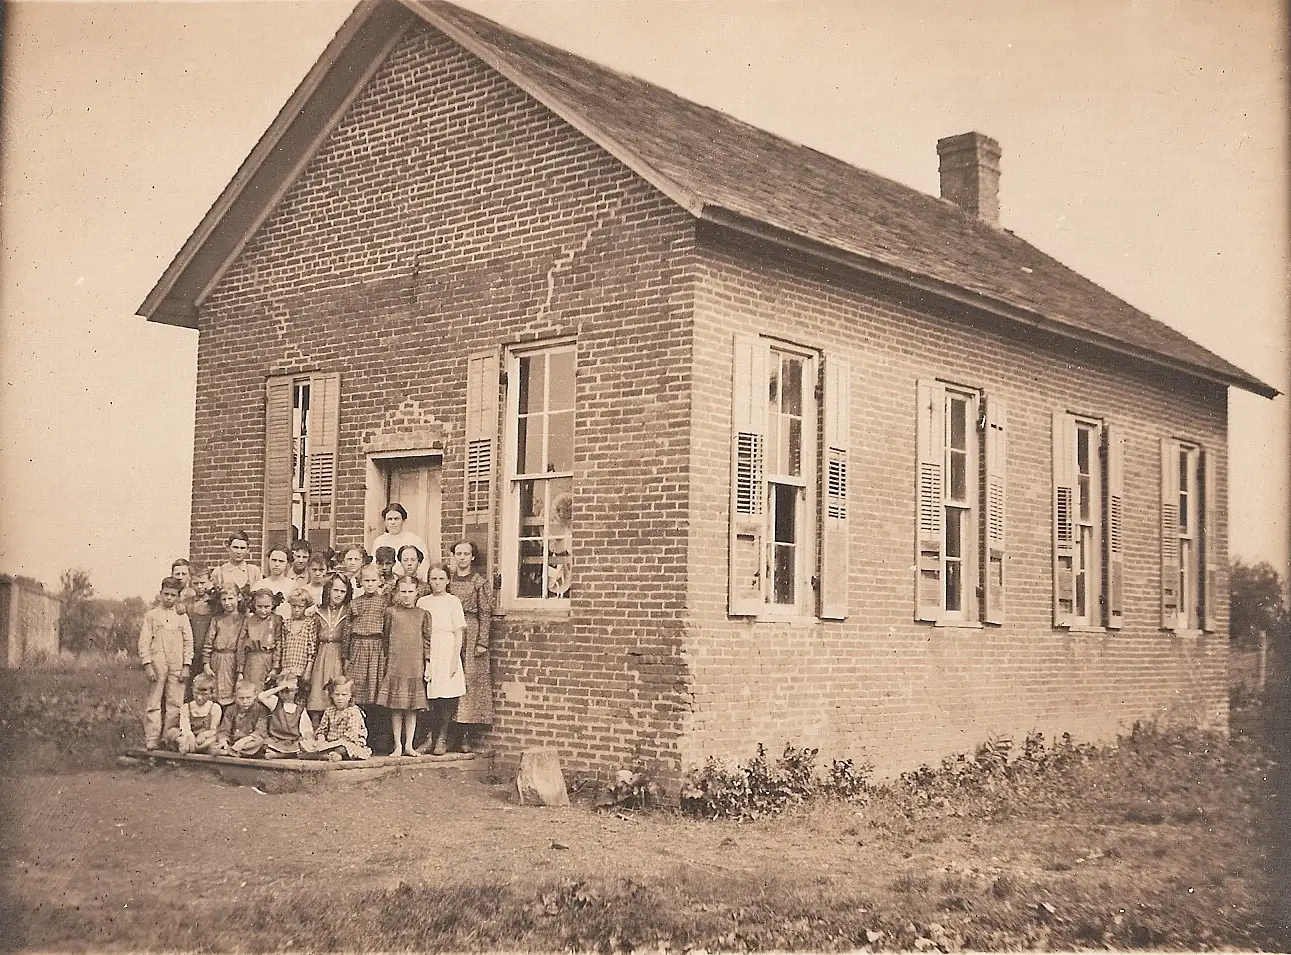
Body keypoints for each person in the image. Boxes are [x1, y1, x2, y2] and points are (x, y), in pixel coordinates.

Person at [446, 539, 494, 753]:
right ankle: (447, 734)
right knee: (448, 679)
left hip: (471, 631)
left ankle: (464, 736)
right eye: (458, 553)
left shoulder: (479, 583)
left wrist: (482, 641)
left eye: (466, 554)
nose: (462, 557)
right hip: (450, 632)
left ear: (472, 557)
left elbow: (485, 613)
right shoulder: (447, 580)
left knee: (469, 684)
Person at [375, 576, 431, 757]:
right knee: (396, 707)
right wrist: (387, 661)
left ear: (417, 592)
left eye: (410, 592)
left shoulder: (423, 614)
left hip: (414, 664)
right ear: (398, 592)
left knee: (412, 708)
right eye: (403, 591)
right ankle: (398, 745)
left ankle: (409, 745)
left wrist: (427, 663)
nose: (407, 596)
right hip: (396, 663)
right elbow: (385, 637)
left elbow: (427, 640)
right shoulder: (391, 612)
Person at [137, 576, 194, 750]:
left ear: (178, 597)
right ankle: (152, 737)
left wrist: (186, 665)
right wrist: (147, 664)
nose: (169, 598)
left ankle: (169, 737)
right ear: (160, 593)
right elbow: (144, 642)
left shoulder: (182, 617)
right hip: (158, 664)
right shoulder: (152, 616)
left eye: (173, 595)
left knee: (175, 702)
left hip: (177, 664)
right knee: (154, 702)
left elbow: (188, 642)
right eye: (166, 594)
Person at [415, 565, 466, 756]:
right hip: (428, 648)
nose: (437, 583)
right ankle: (429, 737)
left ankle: (442, 737)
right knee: (429, 696)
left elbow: (458, 633)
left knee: (447, 695)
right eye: (434, 579)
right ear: (429, 580)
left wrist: (454, 660)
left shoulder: (453, 601)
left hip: (447, 648)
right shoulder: (423, 602)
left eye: (441, 579)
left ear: (448, 580)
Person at [344, 564, 388, 717]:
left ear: (380, 581)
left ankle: (376, 726)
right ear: (360, 582)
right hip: (358, 647)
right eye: (366, 580)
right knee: (358, 684)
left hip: (377, 647)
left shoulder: (384, 603)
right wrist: (346, 655)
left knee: (375, 686)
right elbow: (347, 630)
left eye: (373, 580)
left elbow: (388, 629)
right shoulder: (355, 603)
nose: (370, 584)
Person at [306, 574, 351, 718]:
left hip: (339, 655)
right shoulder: (319, 611)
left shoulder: (349, 611)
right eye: (335, 590)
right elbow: (313, 638)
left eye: (343, 591)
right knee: (318, 690)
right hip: (322, 655)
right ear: (328, 590)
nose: (339, 594)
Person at [300, 677, 371, 761]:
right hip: (329, 743)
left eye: (344, 695)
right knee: (305, 745)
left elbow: (351, 735)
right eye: (337, 694)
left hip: (347, 743)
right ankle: (326, 755)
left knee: (343, 748)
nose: (340, 698)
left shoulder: (353, 712)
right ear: (331, 695)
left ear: (351, 696)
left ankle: (328, 755)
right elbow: (322, 730)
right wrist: (321, 740)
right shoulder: (329, 711)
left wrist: (331, 744)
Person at [203, 586, 245, 707]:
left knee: (233, 692)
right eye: (224, 599)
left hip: (234, 660)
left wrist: (240, 669)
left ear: (239, 598)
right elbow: (208, 642)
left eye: (230, 598)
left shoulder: (244, 620)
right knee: (215, 691)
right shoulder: (217, 619)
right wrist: (206, 663)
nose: (227, 603)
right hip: (217, 659)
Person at [258, 674, 314, 759]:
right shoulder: (275, 703)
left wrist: (309, 737)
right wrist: (280, 687)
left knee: (304, 747)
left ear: (295, 690)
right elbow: (261, 696)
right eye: (282, 691)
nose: (284, 695)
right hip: (276, 740)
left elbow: (306, 729)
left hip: (292, 742)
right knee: (263, 744)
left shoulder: (300, 709)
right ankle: (280, 754)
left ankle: (278, 755)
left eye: (288, 691)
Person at [164, 672, 221, 754]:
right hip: (189, 737)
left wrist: (204, 735)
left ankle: (195, 748)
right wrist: (190, 737)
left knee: (214, 740)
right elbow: (185, 728)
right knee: (173, 732)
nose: (199, 697)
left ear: (211, 693)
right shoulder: (186, 707)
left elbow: (213, 730)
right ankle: (187, 746)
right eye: (196, 693)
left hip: (204, 739)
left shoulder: (214, 708)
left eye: (204, 694)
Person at [238, 587, 282, 690]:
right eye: (259, 606)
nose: (263, 610)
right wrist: (240, 669)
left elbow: (279, 643)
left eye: (266, 607)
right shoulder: (249, 620)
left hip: (269, 660)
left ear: (273, 605)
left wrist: (275, 667)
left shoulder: (276, 620)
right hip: (252, 662)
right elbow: (241, 645)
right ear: (254, 605)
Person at [212, 678, 268, 757]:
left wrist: (244, 740)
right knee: (215, 741)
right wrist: (224, 741)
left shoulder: (260, 709)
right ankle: (231, 750)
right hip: (233, 741)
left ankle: (231, 752)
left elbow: (260, 730)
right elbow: (224, 730)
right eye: (241, 698)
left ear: (255, 695)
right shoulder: (231, 710)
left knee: (260, 741)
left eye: (248, 698)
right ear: (235, 696)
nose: (245, 701)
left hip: (249, 741)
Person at [371, 504, 429, 580]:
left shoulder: (415, 540)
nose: (393, 522)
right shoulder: (379, 541)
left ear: (403, 520)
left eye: (396, 519)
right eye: (389, 519)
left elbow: (424, 566)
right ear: (385, 521)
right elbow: (374, 566)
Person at [275, 587, 317, 689]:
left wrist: (308, 671)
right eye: (293, 606)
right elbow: (281, 646)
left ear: (306, 607)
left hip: (301, 669)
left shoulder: (310, 623)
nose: (296, 610)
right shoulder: (286, 623)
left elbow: (312, 649)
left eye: (300, 607)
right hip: (286, 669)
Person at [185, 567, 215, 682]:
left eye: (202, 583)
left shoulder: (215, 603)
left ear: (210, 582)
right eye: (195, 583)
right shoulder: (187, 603)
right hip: (193, 650)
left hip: (210, 652)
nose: (199, 586)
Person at [263, 546, 295, 620]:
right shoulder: (259, 585)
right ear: (268, 561)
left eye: (281, 561)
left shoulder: (293, 586)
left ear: (287, 564)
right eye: (274, 560)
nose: (277, 564)